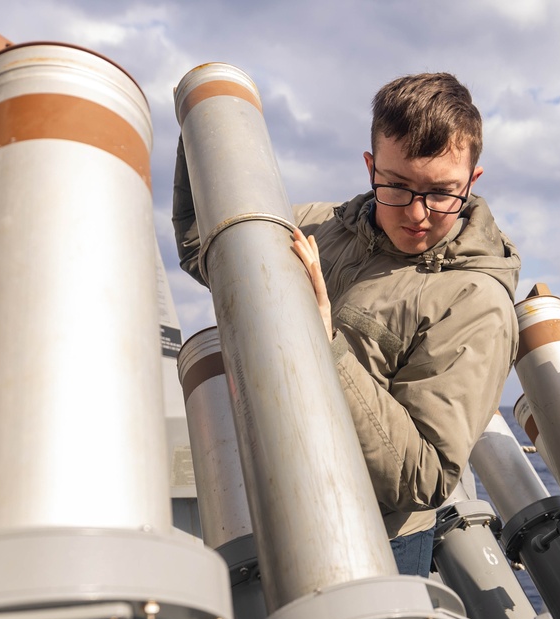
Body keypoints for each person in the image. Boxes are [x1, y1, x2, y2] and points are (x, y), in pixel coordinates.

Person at [173, 73, 519, 578]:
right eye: (397, 186)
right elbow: (201, 245)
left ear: (472, 181)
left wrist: (320, 339)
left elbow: (423, 479)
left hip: (375, 547)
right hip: (268, 510)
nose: (418, 214)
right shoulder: (318, 227)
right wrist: (203, 125)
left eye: (442, 193)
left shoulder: (476, 302)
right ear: (370, 166)